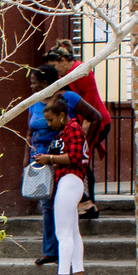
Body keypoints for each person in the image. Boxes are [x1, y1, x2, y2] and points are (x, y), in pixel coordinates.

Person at [26, 65, 105, 267]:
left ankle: (66, 257)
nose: (31, 86)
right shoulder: (34, 102)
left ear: (46, 83)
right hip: (41, 160)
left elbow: (96, 117)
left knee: (63, 207)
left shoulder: (68, 98)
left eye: (34, 82)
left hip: (63, 160)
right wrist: (26, 160)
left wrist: (84, 144)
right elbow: (29, 133)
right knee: (46, 205)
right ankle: (50, 251)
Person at [44, 40, 112, 219]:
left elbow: (93, 103)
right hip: (82, 124)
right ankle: (88, 204)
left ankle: (89, 204)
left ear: (64, 61)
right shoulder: (65, 77)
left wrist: (85, 135)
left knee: (81, 159)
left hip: (98, 122)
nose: (55, 70)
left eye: (55, 65)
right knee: (81, 160)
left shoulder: (81, 71)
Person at [33, 98, 88, 275]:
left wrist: (49, 158)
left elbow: (73, 157)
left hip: (70, 180)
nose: (49, 124)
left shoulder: (72, 128)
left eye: (50, 120)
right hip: (70, 181)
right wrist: (47, 158)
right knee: (72, 231)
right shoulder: (66, 130)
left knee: (63, 233)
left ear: (62, 116)